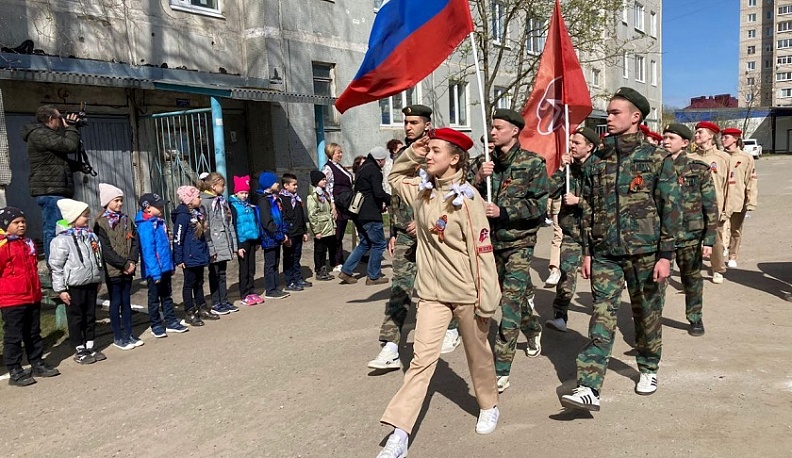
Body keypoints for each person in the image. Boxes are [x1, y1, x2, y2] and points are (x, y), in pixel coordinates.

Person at [377, 128, 501, 458]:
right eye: (427, 151)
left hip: (466, 294)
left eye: (435, 151)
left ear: (455, 158)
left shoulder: (469, 199)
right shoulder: (423, 192)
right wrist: (413, 151)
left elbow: (483, 253)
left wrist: (487, 301)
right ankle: (399, 433)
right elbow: (395, 176)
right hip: (431, 293)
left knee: (478, 355)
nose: (429, 156)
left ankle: (488, 404)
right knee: (420, 361)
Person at [560, 88, 681, 411]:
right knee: (601, 316)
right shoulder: (598, 162)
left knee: (647, 315)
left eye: (615, 113)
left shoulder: (656, 158)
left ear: (635, 117)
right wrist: (587, 250)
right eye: (609, 113)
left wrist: (666, 256)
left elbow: (671, 208)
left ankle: (649, 367)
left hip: (646, 253)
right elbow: (590, 209)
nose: (609, 118)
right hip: (605, 254)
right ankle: (589, 386)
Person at [369, 104, 461, 373]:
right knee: (400, 287)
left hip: (435, 234)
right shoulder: (402, 155)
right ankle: (391, 346)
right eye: (406, 122)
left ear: (426, 125)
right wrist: (393, 232)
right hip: (406, 235)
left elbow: (451, 195)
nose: (408, 126)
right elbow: (396, 199)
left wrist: (424, 223)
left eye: (413, 122)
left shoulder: (437, 154)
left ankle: (452, 327)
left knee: (442, 283)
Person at [471, 108, 549, 393]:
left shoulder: (532, 164)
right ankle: (532, 328)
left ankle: (501, 368)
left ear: (514, 131)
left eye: (498, 127)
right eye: (492, 128)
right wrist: (479, 177)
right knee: (506, 297)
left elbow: (539, 206)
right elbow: (461, 194)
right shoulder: (484, 163)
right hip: (489, 243)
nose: (493, 132)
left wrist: (503, 211)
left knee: (509, 303)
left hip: (518, 243)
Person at [663, 124, 718, 336]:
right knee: (657, 281)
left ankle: (695, 317)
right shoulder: (656, 167)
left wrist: (709, 240)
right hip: (663, 237)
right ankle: (652, 321)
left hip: (690, 237)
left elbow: (710, 206)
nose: (666, 141)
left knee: (691, 279)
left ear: (685, 143)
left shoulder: (699, 169)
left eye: (671, 138)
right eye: (665, 137)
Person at [545, 126, 599, 332]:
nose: (572, 146)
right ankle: (560, 316)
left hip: (595, 233)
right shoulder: (569, 168)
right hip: (572, 233)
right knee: (566, 274)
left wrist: (580, 201)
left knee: (599, 277)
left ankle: (600, 318)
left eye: (577, 143)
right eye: (572, 142)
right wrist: (560, 169)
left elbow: (606, 204)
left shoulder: (599, 168)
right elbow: (549, 190)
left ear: (590, 147)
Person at [0, 207, 60, 386]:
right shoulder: (3, 245)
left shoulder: (27, 243)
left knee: (33, 332)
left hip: (31, 295)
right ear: (5, 225)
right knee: (13, 335)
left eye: (23, 222)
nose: (21, 225)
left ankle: (37, 362)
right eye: (16, 223)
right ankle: (15, 369)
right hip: (12, 298)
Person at [22, 105, 84, 263]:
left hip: (54, 188)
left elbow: (53, 162)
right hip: (49, 190)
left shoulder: (45, 134)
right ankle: (54, 269)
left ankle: (60, 266)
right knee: (53, 230)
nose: (61, 121)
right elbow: (69, 145)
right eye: (59, 118)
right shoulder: (40, 133)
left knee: (61, 229)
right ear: (50, 119)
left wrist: (78, 166)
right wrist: (71, 128)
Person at [49, 199, 107, 364]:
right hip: (73, 286)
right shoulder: (61, 240)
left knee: (90, 315)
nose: (87, 218)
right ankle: (79, 348)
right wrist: (61, 289)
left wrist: (98, 278)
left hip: (90, 282)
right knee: (76, 318)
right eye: (84, 215)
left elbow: (97, 260)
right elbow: (56, 266)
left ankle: (90, 344)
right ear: (73, 218)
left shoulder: (90, 236)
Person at [93, 183, 141, 350]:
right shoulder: (101, 223)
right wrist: (123, 264)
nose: (120, 204)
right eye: (116, 201)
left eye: (121, 200)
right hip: (113, 270)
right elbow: (105, 249)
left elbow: (135, 241)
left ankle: (129, 333)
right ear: (107, 202)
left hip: (128, 268)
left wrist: (133, 261)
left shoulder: (126, 219)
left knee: (126, 301)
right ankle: (118, 336)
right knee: (116, 302)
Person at [135, 192, 189, 337]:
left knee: (167, 295)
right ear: (147, 208)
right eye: (158, 206)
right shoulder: (146, 226)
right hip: (154, 270)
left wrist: (170, 265)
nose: (161, 209)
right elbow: (148, 251)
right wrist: (155, 272)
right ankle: (156, 324)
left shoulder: (160, 222)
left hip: (165, 266)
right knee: (154, 298)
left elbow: (166, 245)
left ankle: (170, 320)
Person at [338, 146, 391, 285]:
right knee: (379, 244)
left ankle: (346, 271)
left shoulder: (362, 168)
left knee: (365, 243)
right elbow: (378, 193)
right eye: (384, 160)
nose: (384, 163)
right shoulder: (374, 171)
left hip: (358, 213)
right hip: (370, 213)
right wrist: (391, 199)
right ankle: (373, 276)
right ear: (380, 160)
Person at [690, 121, 730, 284]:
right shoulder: (689, 158)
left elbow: (729, 185)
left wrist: (727, 208)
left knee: (716, 240)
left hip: (716, 206)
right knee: (692, 240)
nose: (697, 135)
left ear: (711, 135)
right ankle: (693, 270)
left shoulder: (723, 158)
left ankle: (718, 269)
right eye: (696, 132)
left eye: (701, 132)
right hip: (693, 208)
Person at [173, 185, 216, 326]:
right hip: (189, 257)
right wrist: (178, 258)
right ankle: (189, 312)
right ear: (189, 200)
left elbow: (201, 237)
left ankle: (202, 307)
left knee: (199, 282)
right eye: (197, 197)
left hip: (199, 255)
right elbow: (178, 239)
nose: (200, 199)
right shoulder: (183, 217)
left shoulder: (197, 213)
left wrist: (206, 253)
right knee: (189, 284)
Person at [199, 173, 241, 315]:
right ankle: (216, 302)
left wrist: (233, 245)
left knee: (222, 273)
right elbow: (205, 227)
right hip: (214, 245)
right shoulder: (204, 202)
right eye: (221, 185)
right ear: (213, 186)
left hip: (224, 243)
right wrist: (210, 248)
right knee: (215, 273)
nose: (224, 188)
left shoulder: (221, 201)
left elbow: (229, 223)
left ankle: (224, 299)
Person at [720, 128, 759, 269]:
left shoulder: (745, 158)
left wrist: (751, 201)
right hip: (721, 200)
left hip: (738, 200)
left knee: (735, 230)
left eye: (726, 137)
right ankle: (722, 249)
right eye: (722, 137)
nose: (723, 139)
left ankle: (733, 255)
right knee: (721, 228)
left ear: (735, 139)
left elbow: (751, 180)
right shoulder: (720, 156)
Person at [229, 175, 264, 305]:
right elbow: (234, 226)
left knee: (251, 268)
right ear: (236, 192)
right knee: (244, 269)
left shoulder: (248, 205)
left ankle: (251, 290)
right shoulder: (233, 206)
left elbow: (253, 223)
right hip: (242, 241)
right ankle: (244, 294)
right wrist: (238, 246)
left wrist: (257, 240)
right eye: (241, 193)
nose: (244, 195)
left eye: (246, 193)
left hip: (251, 240)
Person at [256, 171, 290, 299]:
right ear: (268, 184)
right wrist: (278, 234)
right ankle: (270, 289)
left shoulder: (275, 199)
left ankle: (276, 287)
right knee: (270, 264)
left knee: (276, 262)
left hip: (277, 236)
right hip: (269, 237)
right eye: (275, 182)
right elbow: (267, 222)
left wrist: (283, 233)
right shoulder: (264, 201)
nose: (277, 184)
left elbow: (280, 217)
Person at [321, 143, 354, 271]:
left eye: (341, 152)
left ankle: (339, 260)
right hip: (336, 204)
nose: (340, 154)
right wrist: (332, 205)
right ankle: (335, 262)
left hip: (344, 204)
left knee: (340, 233)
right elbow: (328, 188)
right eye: (337, 152)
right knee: (336, 234)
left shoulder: (339, 166)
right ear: (331, 154)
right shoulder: (328, 169)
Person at [280, 173, 312, 292]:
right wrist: (285, 234)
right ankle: (290, 281)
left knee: (297, 256)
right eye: (294, 185)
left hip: (298, 231)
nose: (296, 187)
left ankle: (298, 278)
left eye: (296, 184)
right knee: (289, 257)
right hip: (289, 233)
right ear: (286, 185)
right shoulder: (282, 199)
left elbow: (301, 216)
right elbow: (284, 217)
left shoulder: (297, 198)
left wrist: (304, 231)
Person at [307, 170, 336, 281]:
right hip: (320, 227)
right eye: (322, 179)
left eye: (325, 179)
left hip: (327, 226)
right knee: (319, 249)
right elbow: (312, 214)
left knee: (325, 249)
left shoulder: (324, 193)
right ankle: (319, 269)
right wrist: (316, 230)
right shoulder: (313, 196)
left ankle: (323, 268)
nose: (325, 181)